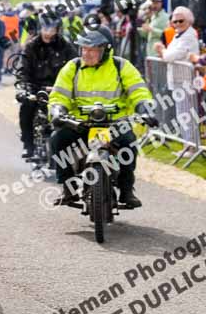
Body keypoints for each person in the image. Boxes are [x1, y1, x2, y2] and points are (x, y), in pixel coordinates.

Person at [48, 25, 156, 208]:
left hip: (114, 124)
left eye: (93, 49)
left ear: (106, 50)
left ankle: (127, 189)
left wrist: (145, 108)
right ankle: (68, 187)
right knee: (57, 140)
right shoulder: (72, 67)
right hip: (80, 124)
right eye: (84, 49)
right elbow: (59, 95)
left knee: (129, 143)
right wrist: (58, 111)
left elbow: (138, 91)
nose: (87, 54)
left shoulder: (121, 66)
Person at [17, 16, 78, 158]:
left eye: (51, 29)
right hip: (35, 88)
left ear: (57, 30)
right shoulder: (31, 46)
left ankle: (67, 151)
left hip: (59, 89)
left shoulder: (66, 46)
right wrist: (23, 87)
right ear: (40, 29)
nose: (48, 33)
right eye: (45, 29)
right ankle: (28, 144)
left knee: (68, 117)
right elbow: (22, 69)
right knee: (26, 108)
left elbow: (76, 67)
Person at [154, 6, 200, 158]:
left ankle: (192, 148)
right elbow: (170, 54)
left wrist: (162, 50)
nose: (177, 24)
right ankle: (187, 146)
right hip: (178, 79)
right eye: (175, 21)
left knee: (187, 114)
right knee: (182, 114)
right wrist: (164, 52)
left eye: (181, 21)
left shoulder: (189, 35)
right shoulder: (179, 34)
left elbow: (172, 55)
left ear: (188, 21)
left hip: (186, 81)